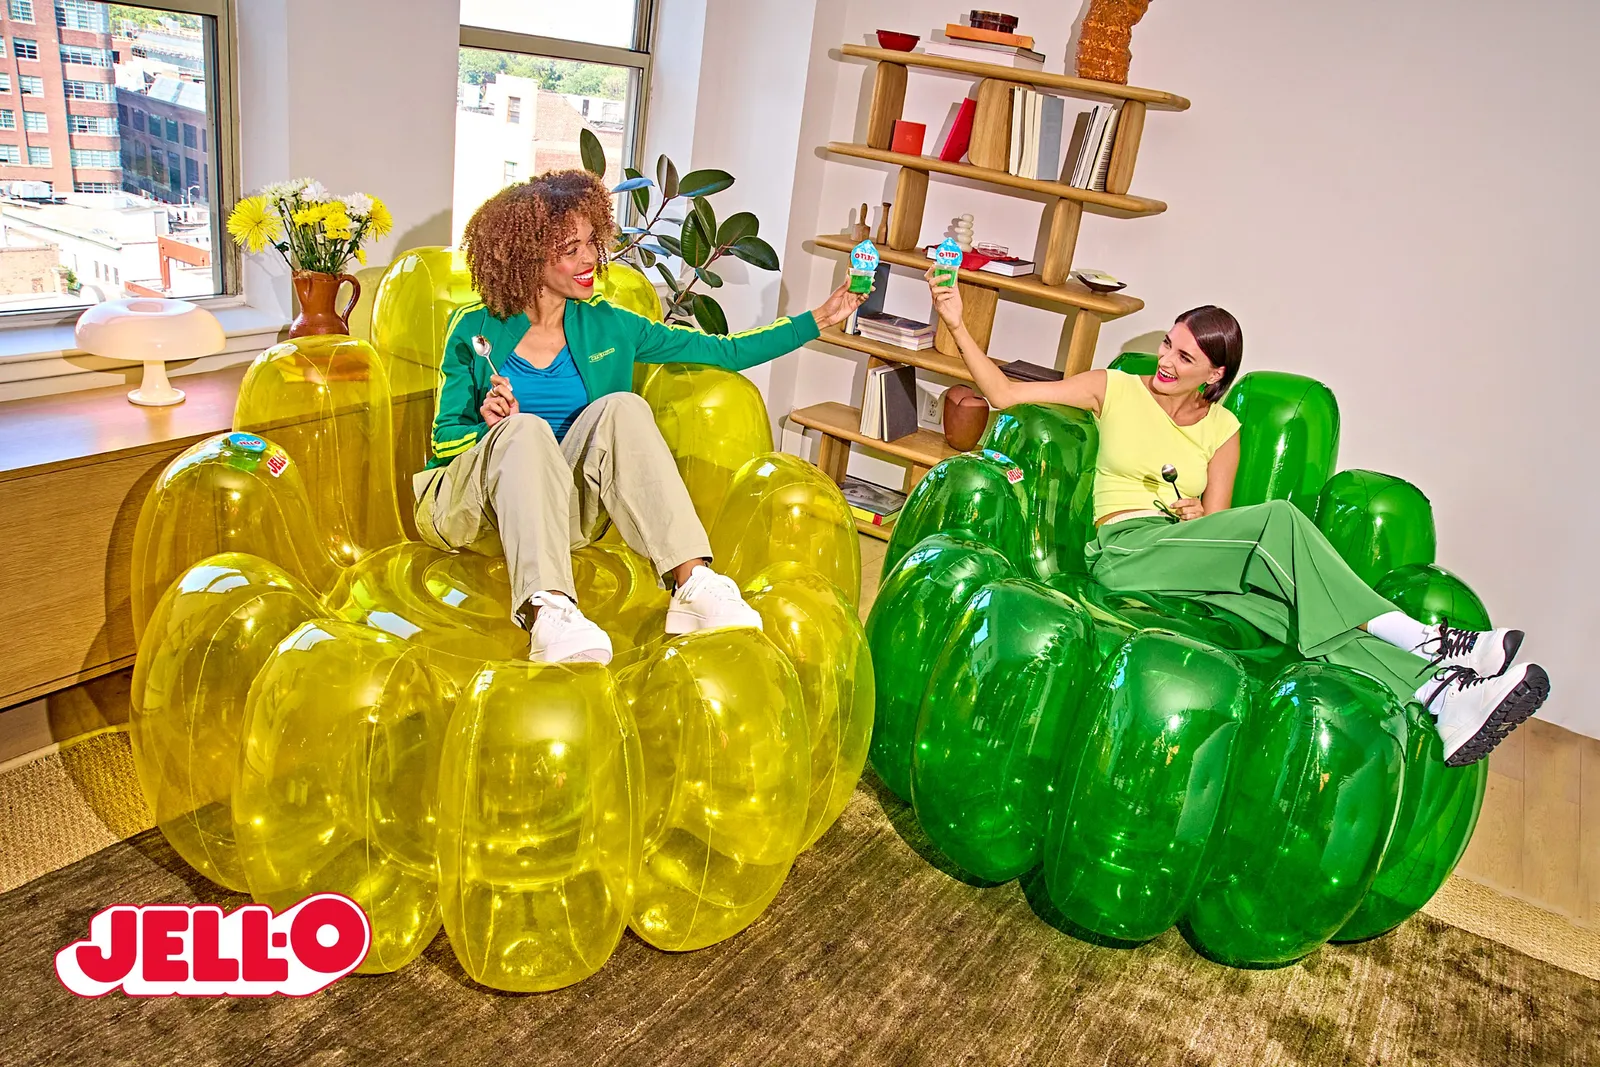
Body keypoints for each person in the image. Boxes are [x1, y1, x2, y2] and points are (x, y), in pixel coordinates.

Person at [925, 268, 1549, 766]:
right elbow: (1004, 394)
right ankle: (1428, 638)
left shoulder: (1225, 430)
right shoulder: (1113, 386)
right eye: (1168, 344)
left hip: (1186, 561)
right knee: (1276, 519)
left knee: (1298, 615)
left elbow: (1217, 524)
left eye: (1185, 358)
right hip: (1123, 553)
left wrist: (1197, 510)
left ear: (1215, 375)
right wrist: (956, 323)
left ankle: (1442, 694)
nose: (1166, 362)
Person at [413, 170, 867, 664]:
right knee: (524, 430)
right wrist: (490, 430)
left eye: (592, 242)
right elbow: (446, 445)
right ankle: (547, 612)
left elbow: (726, 352)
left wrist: (821, 318)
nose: (590, 260)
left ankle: (690, 583)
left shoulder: (610, 325)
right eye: (571, 249)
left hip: (562, 512)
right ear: (528, 255)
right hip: (474, 511)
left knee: (623, 406)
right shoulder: (474, 329)